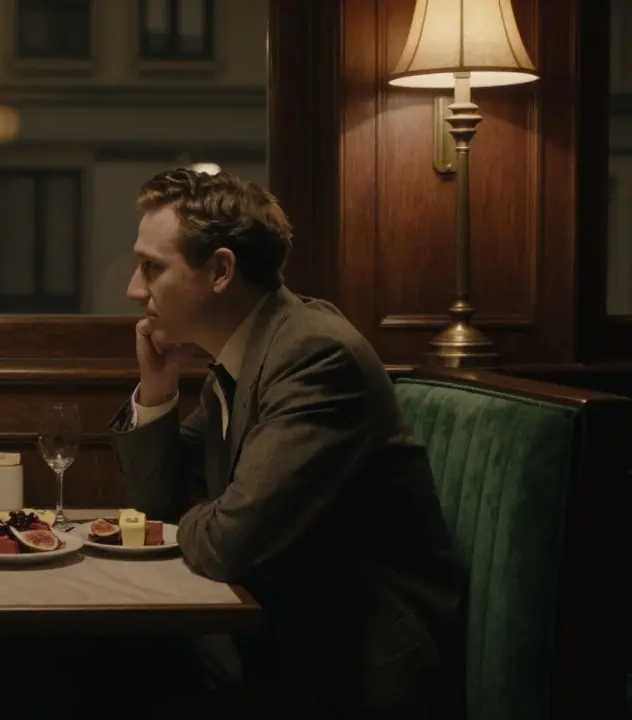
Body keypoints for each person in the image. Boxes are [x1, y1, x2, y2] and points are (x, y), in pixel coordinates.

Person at [107, 169, 467, 718]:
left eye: (153, 268)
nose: (135, 289)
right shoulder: (240, 358)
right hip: (272, 643)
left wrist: (206, 515)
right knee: (83, 670)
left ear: (221, 271)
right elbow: (159, 508)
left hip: (347, 677)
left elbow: (227, 544)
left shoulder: (314, 356)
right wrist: (158, 391)